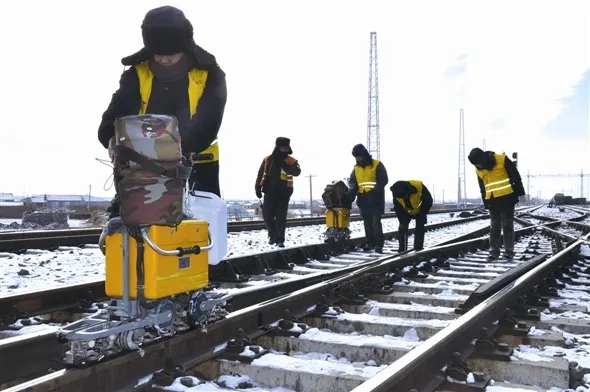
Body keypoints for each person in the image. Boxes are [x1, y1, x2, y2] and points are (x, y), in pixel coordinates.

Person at [97, 6, 227, 217]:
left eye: (171, 54)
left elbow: (208, 123)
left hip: (198, 168)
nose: (164, 60)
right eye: (157, 54)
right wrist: (111, 138)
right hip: (141, 170)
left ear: (185, 46)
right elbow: (113, 117)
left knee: (198, 234)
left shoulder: (210, 75)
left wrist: (173, 150)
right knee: (134, 229)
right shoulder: (136, 75)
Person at [467, 148, 526, 260]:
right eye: (475, 164)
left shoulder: (502, 159)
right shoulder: (478, 169)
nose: (477, 166)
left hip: (507, 197)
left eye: (478, 163)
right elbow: (482, 187)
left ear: (483, 159)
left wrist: (520, 194)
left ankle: (509, 251)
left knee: (507, 225)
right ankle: (494, 252)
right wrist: (485, 202)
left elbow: (515, 176)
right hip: (492, 200)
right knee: (494, 227)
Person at [255, 137, 301, 247]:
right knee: (267, 216)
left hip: (284, 193)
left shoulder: (291, 161)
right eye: (282, 148)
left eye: (286, 148)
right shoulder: (268, 160)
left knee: (281, 217)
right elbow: (260, 174)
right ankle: (272, 233)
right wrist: (257, 187)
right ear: (277, 147)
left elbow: (297, 172)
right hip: (269, 192)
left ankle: (280, 240)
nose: (284, 151)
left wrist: (284, 165)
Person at [347, 144, 389, 253]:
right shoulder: (355, 169)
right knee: (367, 223)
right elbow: (353, 183)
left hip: (375, 198)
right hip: (363, 199)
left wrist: (376, 189)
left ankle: (379, 244)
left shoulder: (377, 165)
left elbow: (383, 179)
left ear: (364, 154)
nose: (358, 159)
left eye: (359, 156)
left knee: (375, 222)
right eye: (356, 157)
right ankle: (370, 243)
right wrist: (350, 195)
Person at [390, 180, 433, 252]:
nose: (403, 198)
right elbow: (398, 209)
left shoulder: (419, 186)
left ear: (408, 191)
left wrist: (423, 213)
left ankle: (418, 247)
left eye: (404, 196)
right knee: (402, 227)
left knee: (420, 226)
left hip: (420, 210)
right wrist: (402, 220)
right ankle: (402, 250)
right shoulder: (396, 194)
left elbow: (428, 201)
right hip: (406, 211)